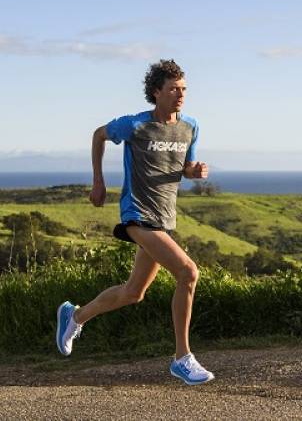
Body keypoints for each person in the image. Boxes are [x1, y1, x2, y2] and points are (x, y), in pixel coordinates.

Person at [55, 59, 214, 385]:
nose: (181, 95)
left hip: (164, 217)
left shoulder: (191, 126)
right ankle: (182, 358)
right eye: (174, 89)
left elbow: (185, 166)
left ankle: (75, 315)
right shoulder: (135, 125)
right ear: (156, 92)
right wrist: (98, 181)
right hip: (137, 214)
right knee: (188, 272)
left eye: (184, 89)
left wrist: (194, 171)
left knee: (133, 293)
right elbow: (99, 135)